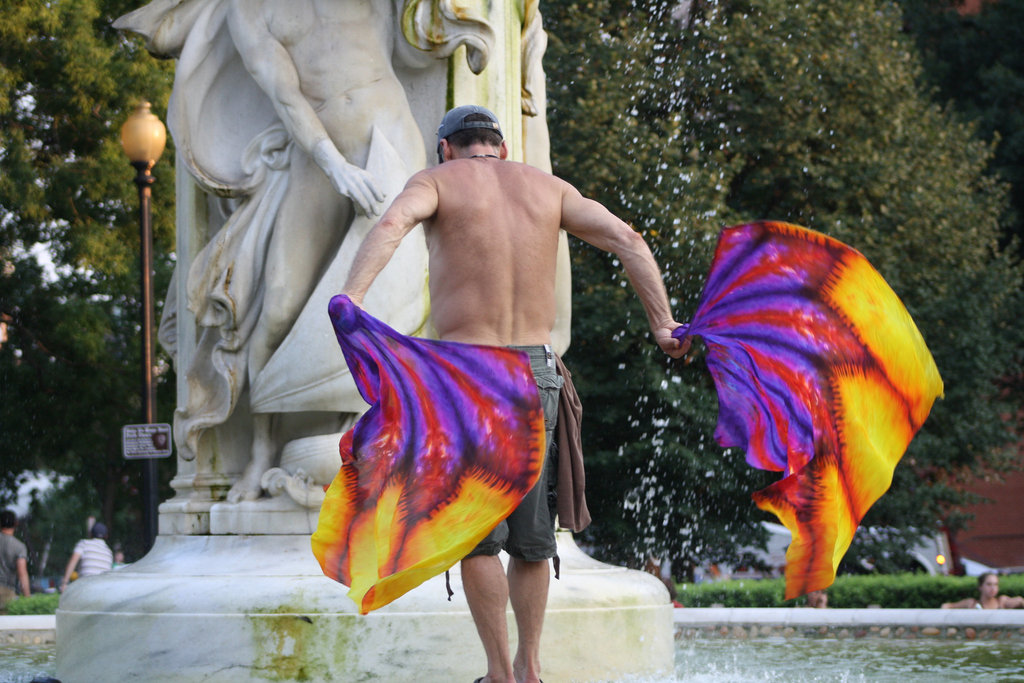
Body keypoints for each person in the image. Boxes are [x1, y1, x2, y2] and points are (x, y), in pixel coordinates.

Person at [340, 104, 688, 683]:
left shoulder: (436, 181)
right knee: (533, 536)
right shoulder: (548, 188)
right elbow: (627, 239)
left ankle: (499, 674)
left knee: (476, 534)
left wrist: (349, 298)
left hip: (469, 374)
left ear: (447, 148)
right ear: (499, 147)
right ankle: (530, 670)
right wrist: (662, 324)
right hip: (537, 372)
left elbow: (391, 225)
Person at [60, 521, 113, 591]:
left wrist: (65, 583)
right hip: (102, 591)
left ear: (91, 534)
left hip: (84, 589)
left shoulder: (84, 544)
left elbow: (73, 562)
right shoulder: (109, 552)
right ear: (106, 536)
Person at [941, 572, 1024, 609]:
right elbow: (947, 606)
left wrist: (1020, 602)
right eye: (989, 584)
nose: (993, 588)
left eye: (995, 584)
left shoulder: (1002, 602)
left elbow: (1020, 600)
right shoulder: (971, 603)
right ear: (980, 587)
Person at [1, 510, 31, 607]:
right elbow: (22, 573)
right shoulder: (19, 546)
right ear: (16, 523)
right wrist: (27, 598)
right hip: (7, 592)